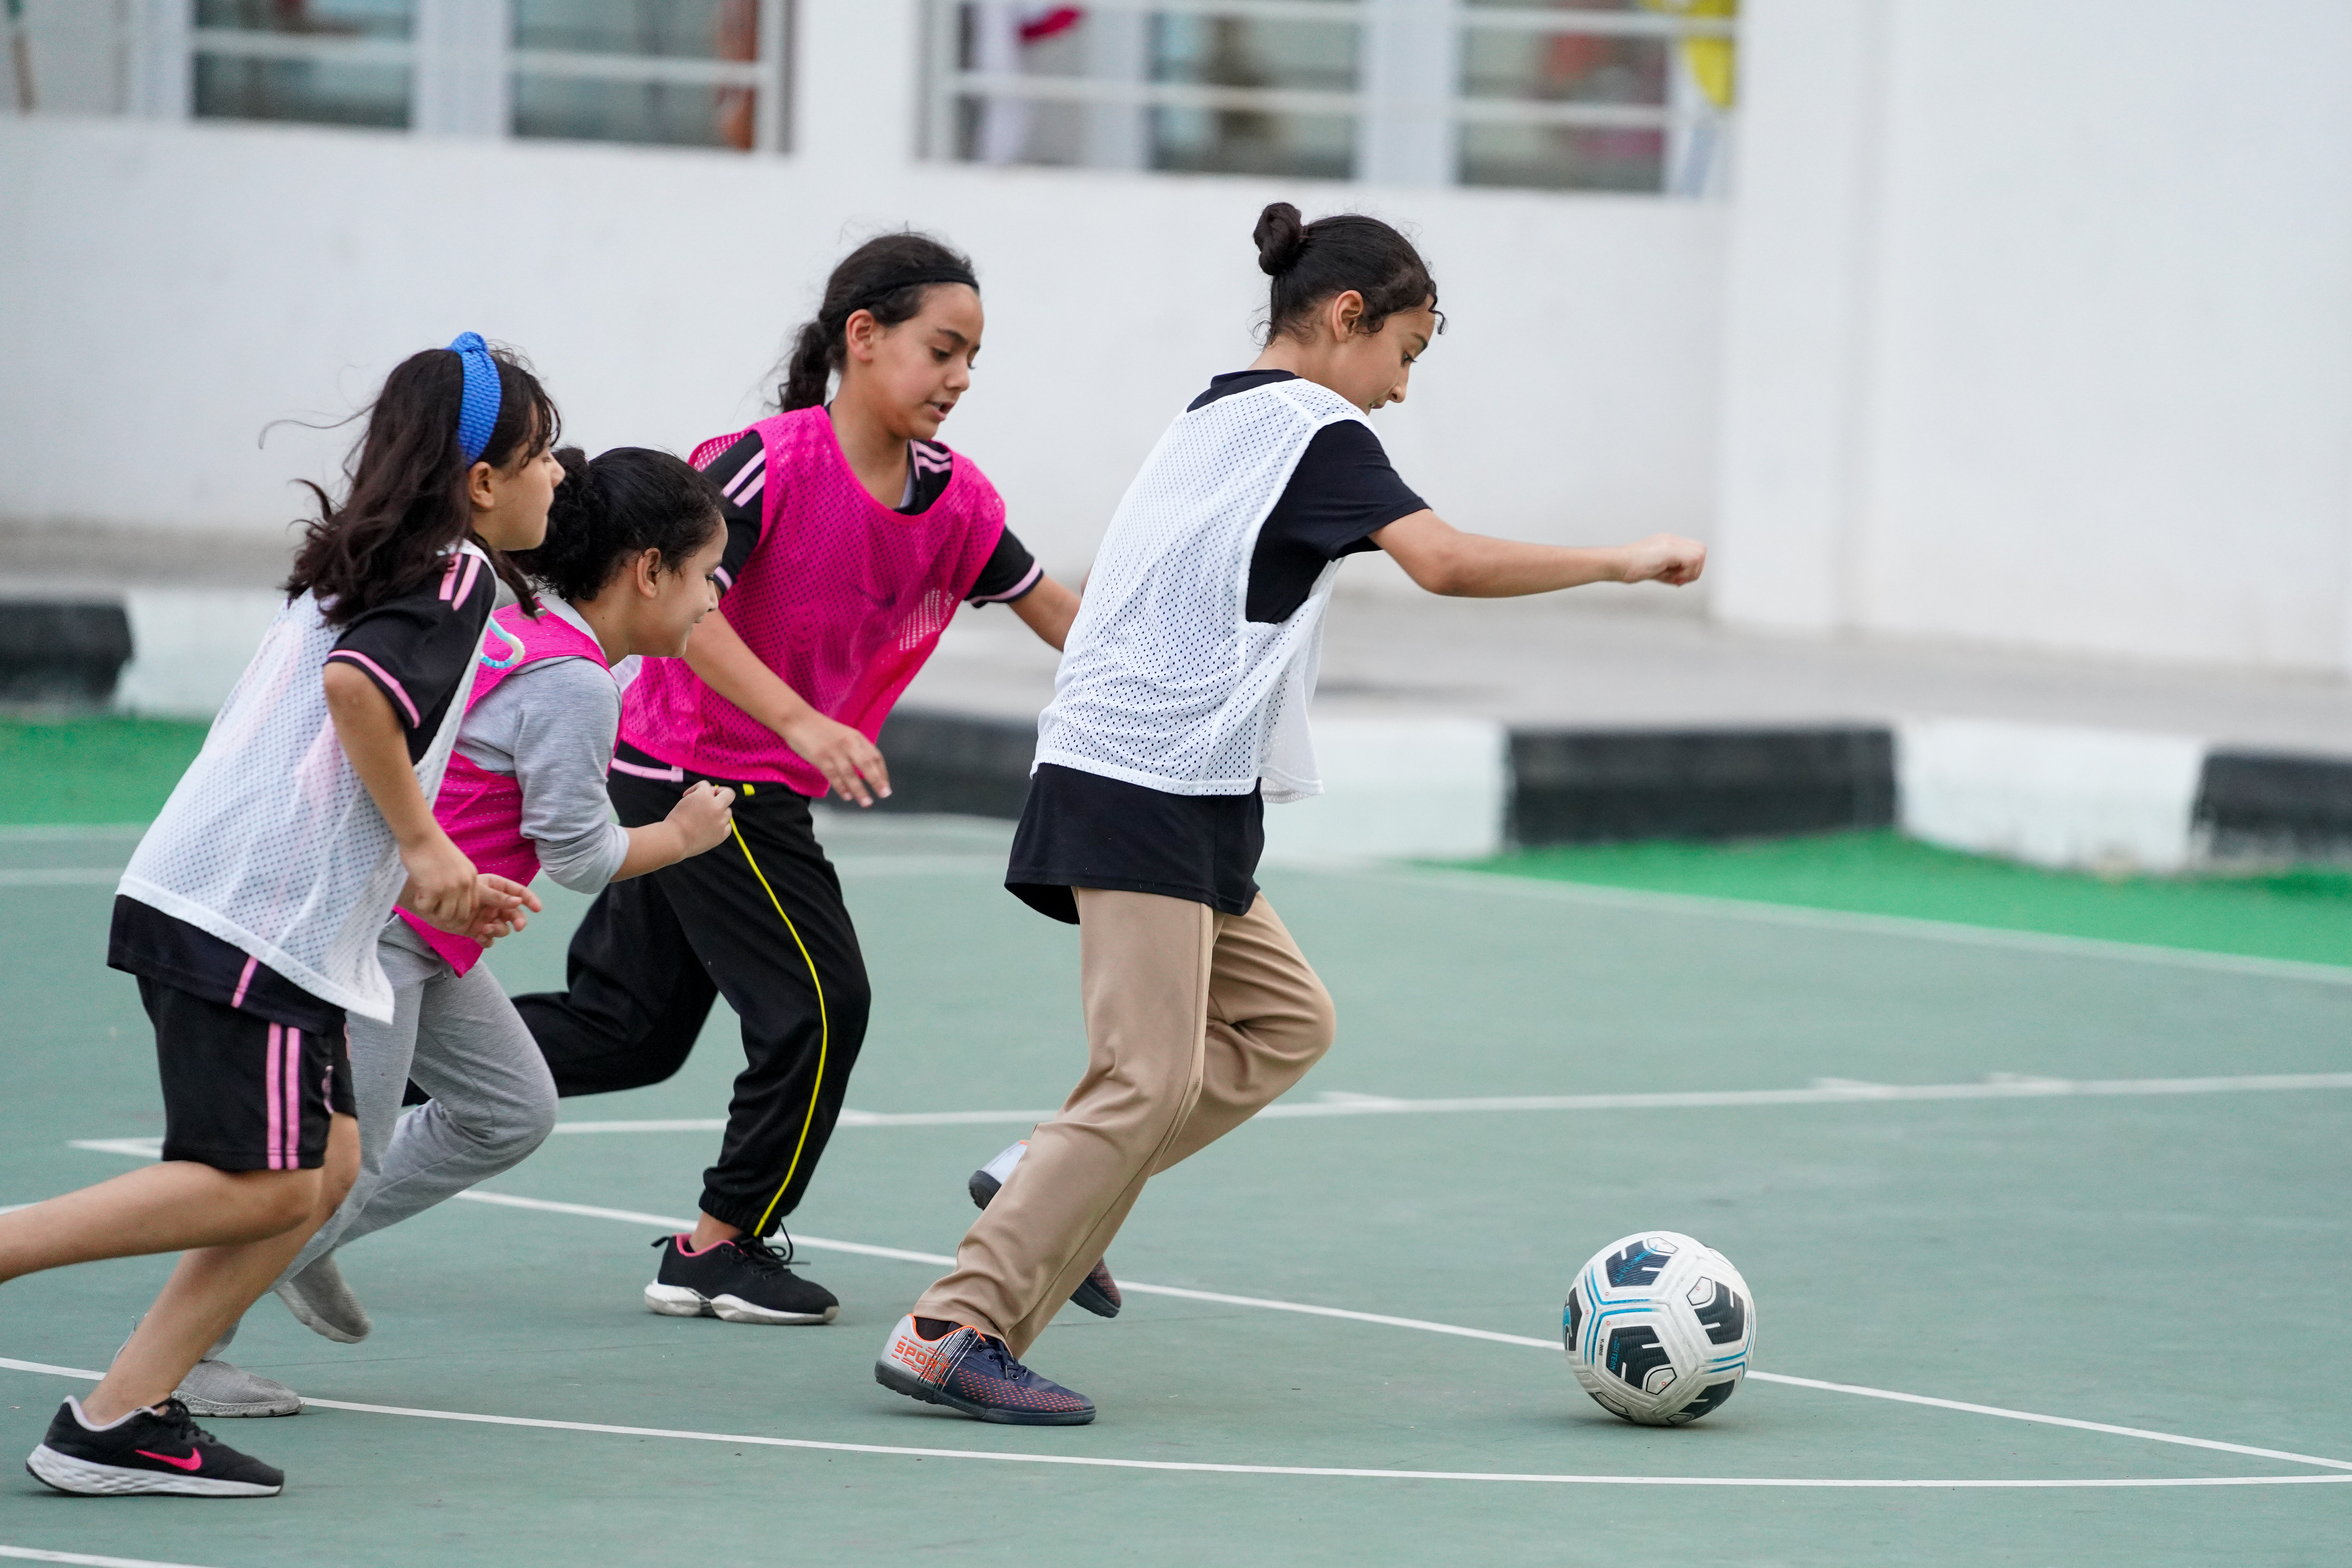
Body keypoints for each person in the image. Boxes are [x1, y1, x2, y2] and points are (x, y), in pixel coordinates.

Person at [875, 204, 1709, 1425]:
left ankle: (1039, 1179)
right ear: (1344, 317)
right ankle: (955, 1325)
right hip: (1141, 778)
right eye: (1407, 354)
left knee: (1282, 1021)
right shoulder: (1312, 430)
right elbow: (1446, 562)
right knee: (1142, 1076)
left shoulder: (1217, 410)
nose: (1403, 390)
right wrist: (1622, 559)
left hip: (1180, 780)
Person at [3, 334, 553, 1495]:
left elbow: (315, 764)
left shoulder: (371, 566)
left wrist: (421, 863)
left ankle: (122, 1416)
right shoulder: (455, 575)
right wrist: (422, 842)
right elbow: (358, 693)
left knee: (329, 1168)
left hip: (248, 915)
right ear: (483, 483)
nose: (560, 477)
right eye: (543, 456)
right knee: (258, 1182)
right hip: (245, 925)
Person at [512, 232, 1087, 1327]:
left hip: (728, 773)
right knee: (822, 1003)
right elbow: (687, 613)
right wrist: (803, 721)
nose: (961, 377)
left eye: (974, 357)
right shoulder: (766, 462)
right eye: (943, 349)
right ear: (862, 340)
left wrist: (1170, 683)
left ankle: (365, 1067)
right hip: (701, 772)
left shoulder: (956, 500)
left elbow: (1054, 610)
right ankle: (721, 1244)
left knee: (626, 1030)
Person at [178, 446, 740, 1417]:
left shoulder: (527, 620)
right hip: (381, 934)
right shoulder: (577, 683)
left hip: (433, 931)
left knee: (510, 1108)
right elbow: (581, 855)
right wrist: (683, 834)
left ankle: (308, 1244)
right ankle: (187, 1349)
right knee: (327, 1165)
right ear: (649, 570)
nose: (712, 602)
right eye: (703, 577)